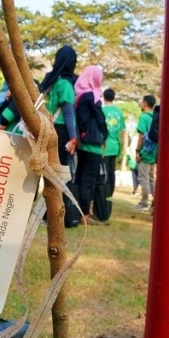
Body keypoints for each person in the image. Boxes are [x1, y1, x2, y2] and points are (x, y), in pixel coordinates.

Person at [74, 66, 108, 225]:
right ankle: (85, 214)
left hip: (83, 143)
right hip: (93, 145)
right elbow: (101, 120)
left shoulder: (80, 95)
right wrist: (105, 135)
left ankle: (78, 210)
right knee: (89, 180)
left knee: (80, 177)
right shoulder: (93, 96)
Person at [101, 88, 126, 205]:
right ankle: (110, 195)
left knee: (104, 172)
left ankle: (104, 195)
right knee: (112, 172)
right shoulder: (119, 112)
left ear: (103, 96)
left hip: (104, 147)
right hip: (115, 146)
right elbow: (122, 132)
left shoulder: (102, 110)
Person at [133, 95, 157, 211]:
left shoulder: (144, 117)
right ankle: (156, 201)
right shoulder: (155, 116)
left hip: (145, 151)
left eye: (142, 101)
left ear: (145, 103)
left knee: (143, 178)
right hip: (154, 152)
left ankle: (144, 202)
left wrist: (137, 151)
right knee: (151, 178)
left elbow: (141, 136)